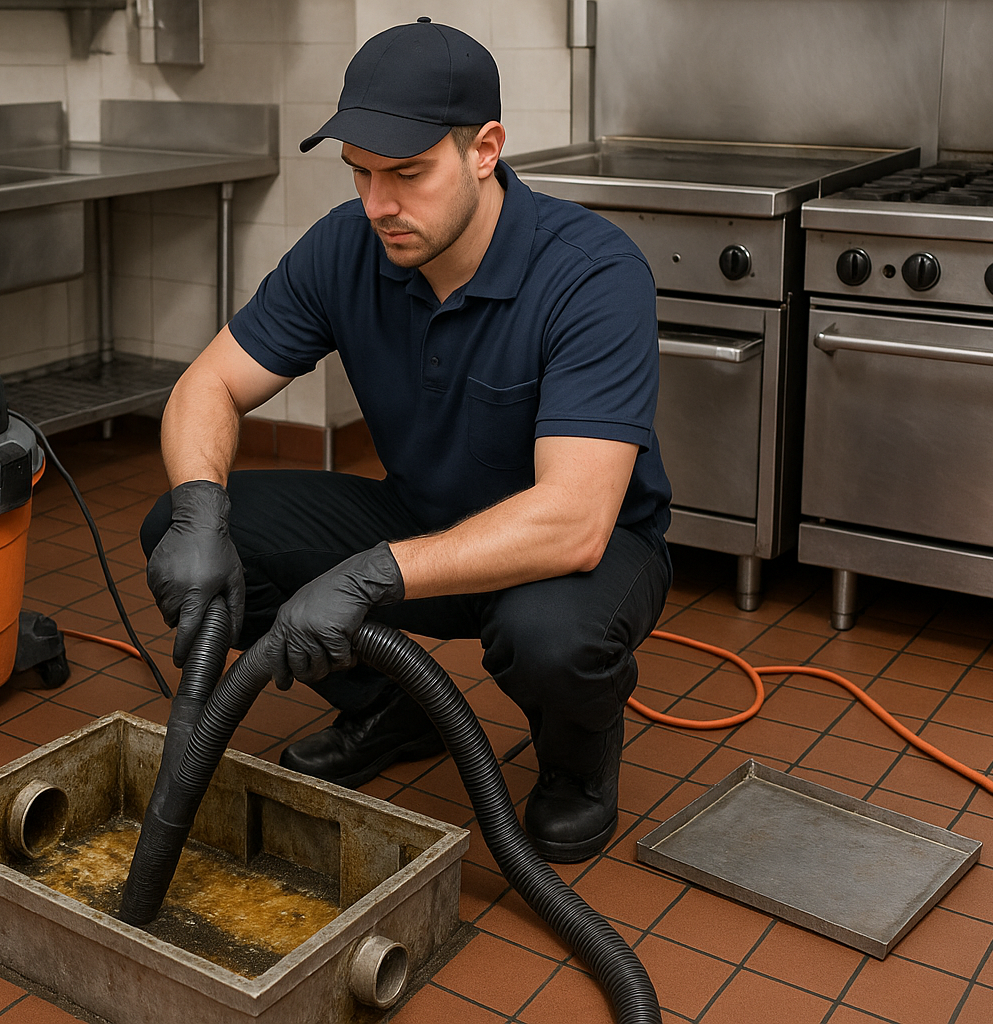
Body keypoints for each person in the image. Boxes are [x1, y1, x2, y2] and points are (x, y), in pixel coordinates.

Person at [139, 18, 671, 863]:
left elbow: (574, 519)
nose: (378, 205)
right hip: (419, 515)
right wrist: (201, 515)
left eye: (408, 174)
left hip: (583, 552)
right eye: (360, 175)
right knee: (179, 519)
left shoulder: (592, 274)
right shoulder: (346, 249)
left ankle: (576, 766)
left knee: (550, 639)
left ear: (485, 148)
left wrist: (370, 573)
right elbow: (208, 386)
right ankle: (393, 706)